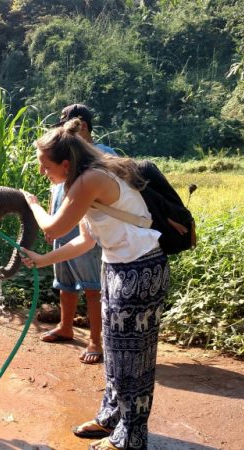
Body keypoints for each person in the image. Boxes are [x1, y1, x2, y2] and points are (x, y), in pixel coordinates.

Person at [20, 118, 169, 450]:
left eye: (46, 166)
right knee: (115, 353)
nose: (43, 173)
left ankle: (130, 439)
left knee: (133, 358)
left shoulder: (91, 179)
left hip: (139, 271)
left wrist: (31, 204)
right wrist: (43, 260)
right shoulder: (85, 181)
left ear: (66, 163)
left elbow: (54, 229)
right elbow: (86, 240)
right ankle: (111, 418)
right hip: (118, 268)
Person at [39, 104, 116, 366]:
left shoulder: (102, 155)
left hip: (89, 231)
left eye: (68, 126)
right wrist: (51, 220)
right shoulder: (65, 156)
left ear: (83, 126)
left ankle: (96, 340)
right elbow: (57, 192)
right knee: (65, 285)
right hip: (63, 228)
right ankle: (65, 326)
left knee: (92, 287)